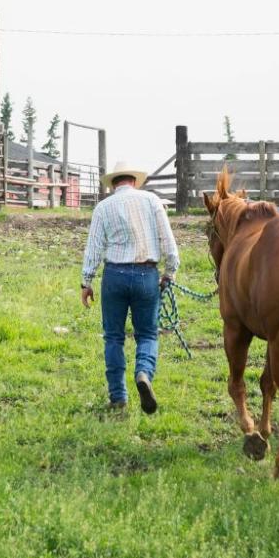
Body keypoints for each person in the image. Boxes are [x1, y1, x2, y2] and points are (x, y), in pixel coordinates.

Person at [81, 162, 180, 413]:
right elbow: (168, 241)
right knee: (147, 333)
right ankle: (144, 373)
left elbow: (94, 247)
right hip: (147, 274)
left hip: (114, 275)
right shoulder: (151, 201)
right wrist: (170, 273)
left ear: (113, 183)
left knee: (113, 336)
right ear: (134, 181)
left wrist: (86, 281)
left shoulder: (103, 207)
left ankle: (118, 397)